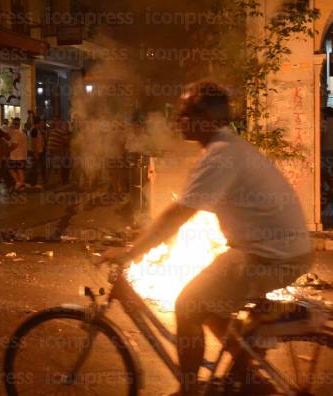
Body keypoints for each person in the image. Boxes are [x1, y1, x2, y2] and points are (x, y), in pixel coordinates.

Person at [99, 82, 311, 395]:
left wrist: (131, 252)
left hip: (269, 256)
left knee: (187, 305)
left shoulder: (221, 155)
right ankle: (248, 377)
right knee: (211, 306)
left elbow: (179, 214)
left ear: (208, 118)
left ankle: (188, 391)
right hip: (278, 249)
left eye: (187, 114)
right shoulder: (227, 148)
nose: (179, 120)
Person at [7, 117, 28, 192]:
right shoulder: (23, 134)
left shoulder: (15, 133)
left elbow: (15, 144)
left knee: (10, 169)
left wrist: (9, 149)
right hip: (22, 156)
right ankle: (21, 187)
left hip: (15, 156)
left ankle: (18, 182)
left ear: (14, 125)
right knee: (20, 171)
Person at [27, 116, 45, 189]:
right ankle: (32, 183)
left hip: (37, 151)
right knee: (34, 168)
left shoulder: (36, 130)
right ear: (38, 123)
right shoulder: (34, 130)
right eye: (41, 122)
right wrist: (36, 153)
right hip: (35, 152)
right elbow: (34, 142)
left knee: (35, 168)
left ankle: (33, 182)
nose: (42, 124)